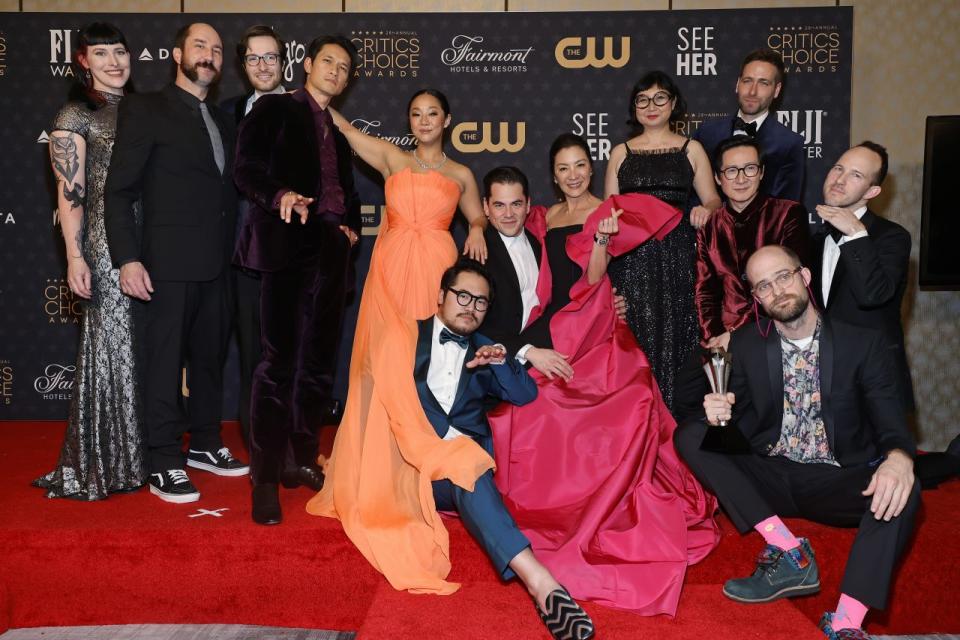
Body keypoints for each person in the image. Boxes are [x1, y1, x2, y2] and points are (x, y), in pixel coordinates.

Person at [490, 134, 720, 616]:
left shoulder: (607, 210)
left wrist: (600, 240)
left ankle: (594, 510)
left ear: (589, 169)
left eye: (579, 165)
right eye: (563, 167)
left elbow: (594, 278)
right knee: (531, 403)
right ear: (553, 175)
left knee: (619, 402)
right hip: (553, 320)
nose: (572, 174)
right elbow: (505, 229)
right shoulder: (542, 217)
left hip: (592, 317)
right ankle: (539, 507)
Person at [674, 245, 920, 640]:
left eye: (783, 277)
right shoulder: (747, 342)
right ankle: (789, 551)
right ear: (755, 298)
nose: (776, 291)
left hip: (836, 478)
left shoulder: (863, 343)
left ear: (804, 277)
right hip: (770, 475)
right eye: (764, 286)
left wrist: (898, 457)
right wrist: (716, 409)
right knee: (691, 433)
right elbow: (693, 407)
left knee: (904, 491)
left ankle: (845, 625)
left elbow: (890, 420)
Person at [307, 88, 491, 594]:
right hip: (388, 273)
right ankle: (376, 474)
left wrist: (475, 227)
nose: (426, 120)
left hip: (436, 272)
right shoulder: (393, 157)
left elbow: (476, 214)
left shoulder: (461, 174)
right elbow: (344, 132)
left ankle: (420, 478)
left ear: (447, 120)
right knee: (382, 368)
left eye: (434, 113)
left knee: (420, 370)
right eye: (416, 113)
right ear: (409, 121)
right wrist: (316, 95)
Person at [105, 22, 248, 504]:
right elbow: (119, 191)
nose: (209, 55)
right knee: (164, 364)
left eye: (216, 49)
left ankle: (205, 443)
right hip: (165, 263)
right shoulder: (145, 108)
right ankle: (163, 458)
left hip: (218, 262)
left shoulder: (224, 119)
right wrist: (127, 258)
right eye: (199, 46)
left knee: (209, 361)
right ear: (176, 54)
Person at [422, 260, 594, 640]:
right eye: (462, 296)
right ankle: (542, 581)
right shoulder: (405, 338)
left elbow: (524, 394)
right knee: (467, 463)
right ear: (440, 296)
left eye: (480, 302)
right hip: (408, 466)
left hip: (456, 477)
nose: (470, 306)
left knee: (469, 465)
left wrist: (500, 360)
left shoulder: (488, 349)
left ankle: (541, 584)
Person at [233, 34, 362, 524]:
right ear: (306, 64)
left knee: (319, 363)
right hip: (289, 240)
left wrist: (351, 231)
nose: (334, 70)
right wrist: (280, 193)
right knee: (278, 361)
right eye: (327, 61)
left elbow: (346, 193)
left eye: (343, 67)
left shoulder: (340, 134)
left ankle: (300, 459)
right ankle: (264, 476)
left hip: (332, 250)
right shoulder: (273, 110)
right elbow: (245, 170)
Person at [34, 22, 147, 500]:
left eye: (120, 52)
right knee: (111, 346)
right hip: (103, 243)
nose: (114, 62)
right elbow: (70, 193)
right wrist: (75, 255)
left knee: (145, 347)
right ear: (83, 60)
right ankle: (104, 462)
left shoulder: (145, 108)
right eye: (101, 54)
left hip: (149, 239)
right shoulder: (75, 114)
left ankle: (143, 455)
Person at [604, 70, 721, 413]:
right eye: (643, 100)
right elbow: (608, 213)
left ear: (673, 104)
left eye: (659, 98)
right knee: (635, 343)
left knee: (679, 341)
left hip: (680, 258)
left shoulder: (692, 148)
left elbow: (714, 200)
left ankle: (675, 432)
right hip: (631, 262)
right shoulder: (620, 153)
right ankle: (640, 427)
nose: (651, 106)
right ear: (634, 108)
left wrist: (706, 210)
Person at [220, 25, 287, 451]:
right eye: (254, 59)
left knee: (291, 356)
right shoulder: (226, 112)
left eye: (271, 57)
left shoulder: (306, 110)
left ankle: (288, 444)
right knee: (251, 356)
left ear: (284, 62)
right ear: (243, 66)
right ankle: (256, 441)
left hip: (292, 259)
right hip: (241, 258)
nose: (263, 66)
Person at [811, 142, 912, 413]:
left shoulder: (893, 237)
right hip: (821, 385)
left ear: (872, 191)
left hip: (874, 389)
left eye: (856, 175)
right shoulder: (813, 240)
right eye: (838, 169)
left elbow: (873, 294)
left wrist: (856, 234)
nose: (839, 180)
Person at [693, 48, 805, 202]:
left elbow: (787, 208)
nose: (752, 91)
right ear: (738, 84)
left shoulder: (789, 144)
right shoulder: (707, 133)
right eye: (747, 81)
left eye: (763, 83)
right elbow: (691, 193)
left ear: (776, 90)